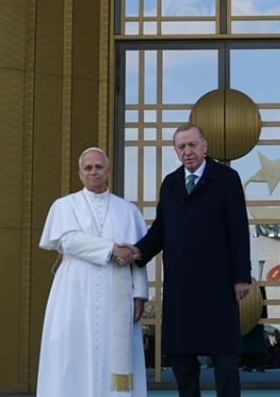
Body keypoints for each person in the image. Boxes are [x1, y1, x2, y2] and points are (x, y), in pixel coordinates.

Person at [130, 123, 250, 397]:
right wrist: (138, 252)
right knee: (182, 359)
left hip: (218, 282)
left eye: (192, 145)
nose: (187, 151)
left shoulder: (226, 179)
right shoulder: (170, 183)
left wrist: (241, 276)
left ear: (205, 146)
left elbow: (238, 229)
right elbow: (161, 228)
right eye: (181, 146)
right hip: (180, 284)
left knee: (225, 357)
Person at [37, 147, 148, 396]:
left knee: (112, 348)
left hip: (116, 294)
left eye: (98, 167)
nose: (93, 172)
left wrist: (140, 294)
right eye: (87, 168)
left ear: (108, 171)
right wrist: (111, 248)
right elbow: (68, 240)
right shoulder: (64, 205)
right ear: (80, 173)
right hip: (74, 291)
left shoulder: (128, 210)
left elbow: (138, 255)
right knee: (70, 348)